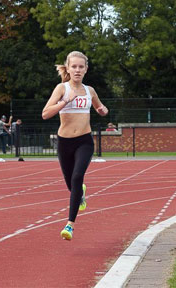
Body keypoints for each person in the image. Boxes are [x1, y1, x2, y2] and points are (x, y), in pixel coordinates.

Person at [42, 51, 108, 241]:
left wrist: (103, 111)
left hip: (84, 141)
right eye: (74, 66)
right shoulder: (62, 88)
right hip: (64, 143)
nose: (77, 70)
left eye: (81, 67)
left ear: (86, 69)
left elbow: (100, 108)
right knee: (71, 184)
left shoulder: (90, 90)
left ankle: (69, 225)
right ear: (68, 68)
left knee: (78, 176)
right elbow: (45, 114)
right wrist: (65, 101)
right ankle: (81, 192)